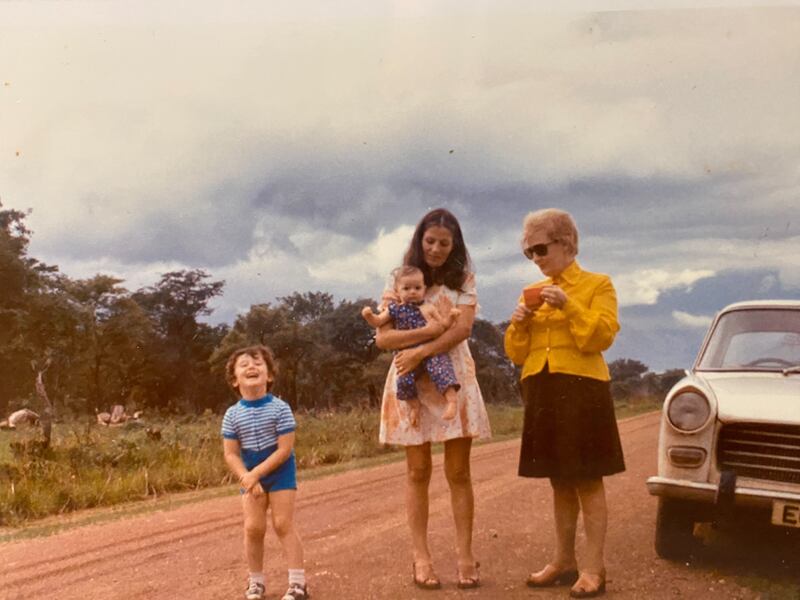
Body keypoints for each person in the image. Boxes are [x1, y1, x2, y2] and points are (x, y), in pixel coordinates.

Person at [504, 208, 624, 598]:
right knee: (558, 479)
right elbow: (517, 353)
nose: (536, 259)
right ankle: (563, 560)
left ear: (567, 243)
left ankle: (594, 568)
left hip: (583, 388)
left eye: (541, 249)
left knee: (588, 479)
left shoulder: (597, 285)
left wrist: (568, 305)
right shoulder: (531, 294)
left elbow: (600, 337)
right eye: (529, 253)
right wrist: (520, 323)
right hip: (541, 387)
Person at [375, 208, 492, 590]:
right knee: (417, 471)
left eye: (445, 242)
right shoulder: (402, 281)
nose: (437, 249)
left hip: (452, 376)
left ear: (454, 244)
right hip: (410, 376)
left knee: (458, 472)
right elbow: (384, 338)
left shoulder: (464, 280)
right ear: (419, 240)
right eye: (430, 241)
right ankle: (421, 557)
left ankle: (464, 555)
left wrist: (423, 349)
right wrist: (418, 345)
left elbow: (463, 329)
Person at [221, 345, 308, 600]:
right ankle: (256, 582)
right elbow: (231, 453)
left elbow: (284, 449)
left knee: (283, 523)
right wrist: (246, 477)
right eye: (244, 364)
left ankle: (298, 584)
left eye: (258, 363)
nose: (252, 367)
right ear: (234, 380)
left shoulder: (280, 408)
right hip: (249, 474)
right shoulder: (232, 415)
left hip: (279, 471)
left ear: (269, 375)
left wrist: (256, 474)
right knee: (253, 528)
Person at [362, 265, 462, 426]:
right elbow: (378, 321)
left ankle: (451, 401)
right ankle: (414, 406)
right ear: (397, 290)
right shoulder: (394, 309)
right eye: (406, 288)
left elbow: (442, 326)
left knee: (441, 368)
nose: (412, 292)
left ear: (424, 289)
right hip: (407, 354)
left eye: (417, 288)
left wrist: (451, 317)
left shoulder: (428, 308)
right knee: (403, 380)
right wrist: (369, 316)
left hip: (431, 351)